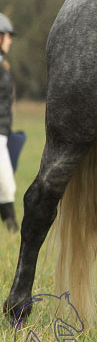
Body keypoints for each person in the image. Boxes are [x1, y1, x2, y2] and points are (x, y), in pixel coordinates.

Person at [0, 13, 17, 233]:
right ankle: (13, 229)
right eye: (7, 35)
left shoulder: (3, 66)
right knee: (6, 184)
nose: (10, 40)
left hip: (3, 131)